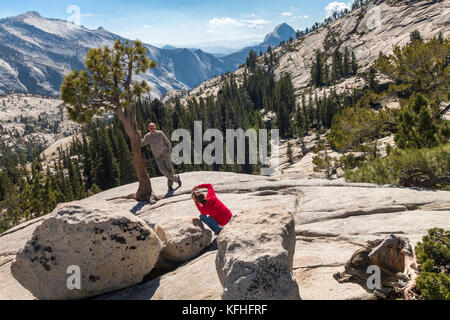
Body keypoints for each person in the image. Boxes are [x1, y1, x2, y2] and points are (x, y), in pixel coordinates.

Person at [140, 122, 182, 192]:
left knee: (169, 169)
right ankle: (176, 178)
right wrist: (137, 136)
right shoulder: (148, 136)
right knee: (162, 170)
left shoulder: (160, 133)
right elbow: (141, 143)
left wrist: (169, 149)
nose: (153, 129)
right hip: (158, 156)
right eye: (151, 128)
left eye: (154, 128)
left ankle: (170, 186)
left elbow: (167, 142)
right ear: (148, 129)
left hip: (165, 153)